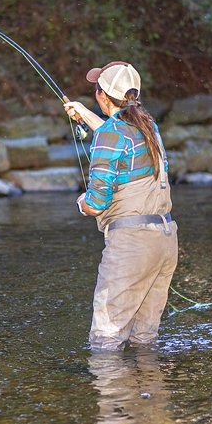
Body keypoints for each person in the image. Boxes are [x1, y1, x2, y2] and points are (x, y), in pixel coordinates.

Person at [64, 61, 178, 351]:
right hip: (164, 241)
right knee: (144, 340)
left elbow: (96, 202)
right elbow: (117, 135)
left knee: (106, 340)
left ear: (103, 95)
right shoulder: (148, 125)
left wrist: (81, 204)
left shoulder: (111, 135)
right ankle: (151, 393)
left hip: (131, 246)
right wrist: (85, 114)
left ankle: (115, 396)